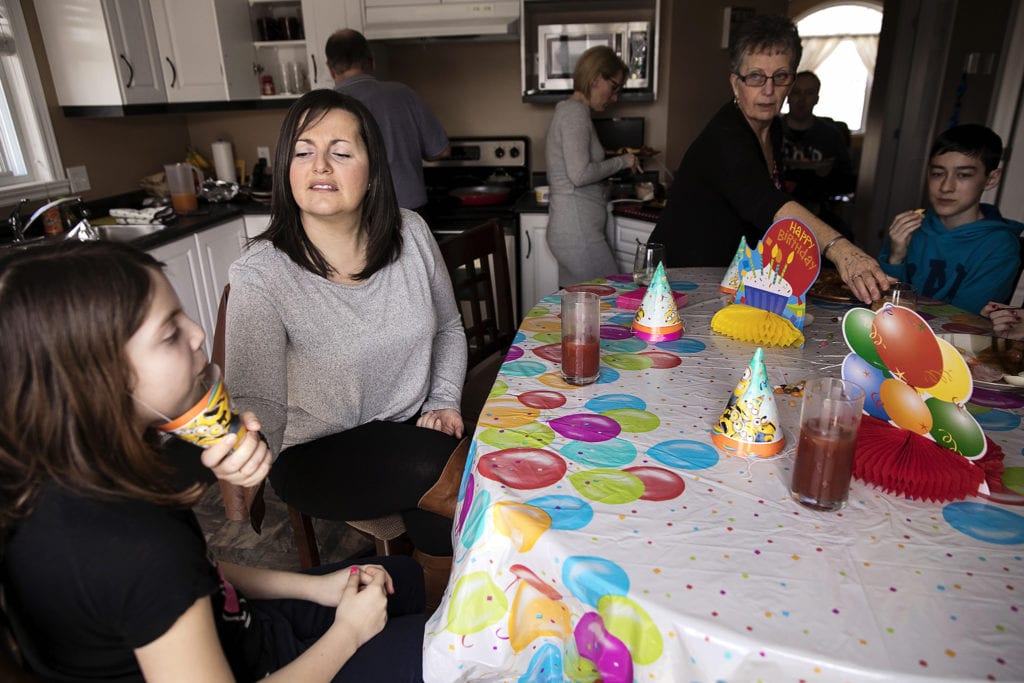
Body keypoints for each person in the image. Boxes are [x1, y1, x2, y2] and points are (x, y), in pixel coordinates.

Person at [0, 240, 426, 682]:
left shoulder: (82, 471)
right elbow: (169, 573)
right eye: (169, 334)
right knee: (433, 648)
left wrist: (316, 587)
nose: (198, 333)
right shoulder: (135, 546)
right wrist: (349, 633)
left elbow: (200, 574)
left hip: (243, 630)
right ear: (95, 383)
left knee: (402, 578)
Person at [226, 89, 468, 609]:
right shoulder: (260, 274)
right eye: (303, 151)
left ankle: (438, 618)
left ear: (372, 169)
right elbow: (257, 397)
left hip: (410, 428)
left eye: (340, 151)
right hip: (315, 452)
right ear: (286, 169)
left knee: (440, 513)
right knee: (459, 471)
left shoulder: (411, 233)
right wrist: (245, 452)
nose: (320, 165)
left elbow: (449, 325)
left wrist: (444, 399)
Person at [648, 15, 889, 304]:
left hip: (724, 274)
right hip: (678, 277)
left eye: (780, 76)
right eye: (755, 76)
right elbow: (768, 202)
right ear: (735, 83)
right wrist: (842, 250)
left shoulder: (772, 128)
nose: (768, 90)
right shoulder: (725, 137)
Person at [878, 124, 1022, 313]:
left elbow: (964, 320)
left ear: (991, 179)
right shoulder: (908, 228)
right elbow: (881, 303)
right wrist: (896, 256)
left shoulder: (999, 245)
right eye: (937, 174)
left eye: (964, 175)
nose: (946, 187)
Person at [545, 45, 640, 286]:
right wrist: (623, 161)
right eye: (614, 87)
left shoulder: (572, 111)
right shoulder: (574, 114)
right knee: (615, 292)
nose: (615, 97)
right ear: (596, 78)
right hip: (577, 233)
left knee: (580, 302)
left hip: (574, 231)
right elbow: (579, 175)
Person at [326, 28, 449, 214]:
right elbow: (441, 150)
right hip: (410, 209)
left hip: (360, 213)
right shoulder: (403, 93)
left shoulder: (325, 107)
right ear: (372, 62)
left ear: (330, 69)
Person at [780, 71, 857, 237]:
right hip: (775, 209)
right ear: (787, 96)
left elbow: (848, 182)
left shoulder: (831, 135)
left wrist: (826, 175)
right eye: (796, 92)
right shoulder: (771, 129)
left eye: (809, 93)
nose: (802, 99)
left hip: (816, 213)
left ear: (816, 98)